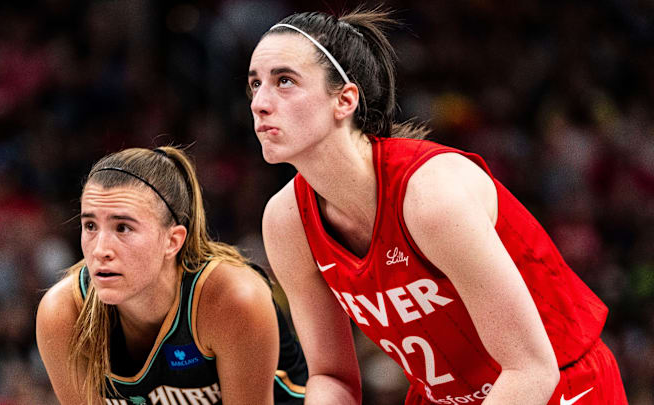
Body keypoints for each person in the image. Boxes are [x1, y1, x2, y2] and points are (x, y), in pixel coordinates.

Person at [247, 8, 627, 405]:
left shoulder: (431, 197)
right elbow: (332, 376)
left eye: (284, 81)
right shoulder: (285, 221)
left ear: (344, 100)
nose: (260, 103)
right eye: (254, 85)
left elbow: (531, 369)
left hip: (560, 385)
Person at [36, 146, 307, 405]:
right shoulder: (62, 314)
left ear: (172, 241)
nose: (100, 250)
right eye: (91, 225)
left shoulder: (232, 299)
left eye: (123, 228)